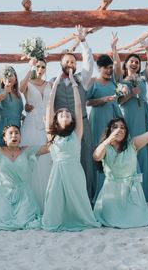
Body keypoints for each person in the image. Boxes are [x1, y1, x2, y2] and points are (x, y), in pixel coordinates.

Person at [42, 69, 101, 232]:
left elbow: (77, 106)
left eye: (68, 113)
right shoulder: (51, 135)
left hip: (75, 170)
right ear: (56, 120)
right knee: (56, 200)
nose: (66, 114)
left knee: (79, 199)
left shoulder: (77, 134)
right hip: (58, 172)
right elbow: (49, 106)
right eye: (61, 114)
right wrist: (54, 85)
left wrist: (75, 85)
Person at [93, 112, 148, 228]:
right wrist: (109, 139)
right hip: (112, 193)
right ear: (109, 130)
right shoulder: (106, 148)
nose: (119, 129)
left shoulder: (133, 144)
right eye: (115, 127)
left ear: (126, 132)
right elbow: (96, 156)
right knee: (111, 220)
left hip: (131, 192)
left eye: (122, 127)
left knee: (138, 220)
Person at [52, 25, 96, 201]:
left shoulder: (82, 80)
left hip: (82, 124)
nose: (70, 64)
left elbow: (89, 63)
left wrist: (83, 41)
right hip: (62, 127)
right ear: (61, 64)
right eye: (67, 62)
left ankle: (87, 196)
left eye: (73, 62)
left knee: (86, 159)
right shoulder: (52, 82)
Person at [117, 39, 148, 202]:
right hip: (128, 116)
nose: (134, 63)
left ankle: (147, 191)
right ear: (126, 64)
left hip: (143, 115)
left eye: (137, 62)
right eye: (132, 61)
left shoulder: (143, 77)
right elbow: (119, 102)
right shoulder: (121, 81)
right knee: (130, 148)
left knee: (144, 148)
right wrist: (130, 93)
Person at [86, 35, 123, 197]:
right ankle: (99, 191)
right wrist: (102, 100)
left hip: (114, 117)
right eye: (106, 68)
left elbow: (119, 67)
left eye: (110, 67)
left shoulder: (114, 81)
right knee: (100, 150)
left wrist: (114, 48)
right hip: (98, 118)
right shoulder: (94, 82)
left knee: (115, 149)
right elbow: (87, 102)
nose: (109, 70)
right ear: (99, 68)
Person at [19, 57, 52, 210]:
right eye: (38, 66)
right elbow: (20, 88)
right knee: (32, 159)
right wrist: (29, 67)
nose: (40, 69)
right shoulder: (28, 83)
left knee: (48, 160)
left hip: (47, 124)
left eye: (42, 67)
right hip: (31, 124)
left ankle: (48, 200)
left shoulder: (50, 84)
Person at [0, 66, 24, 146]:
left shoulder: (18, 94)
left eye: (11, 75)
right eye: (6, 76)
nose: (9, 78)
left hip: (17, 127)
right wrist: (5, 92)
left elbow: (16, 112)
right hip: (5, 127)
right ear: (2, 79)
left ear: (15, 77)